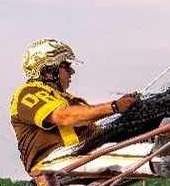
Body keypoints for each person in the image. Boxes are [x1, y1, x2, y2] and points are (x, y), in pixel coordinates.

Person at [9, 39, 139, 174]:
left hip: (76, 155)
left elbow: (95, 129)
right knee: (139, 155)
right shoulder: (28, 93)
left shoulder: (70, 99)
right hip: (53, 161)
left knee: (129, 145)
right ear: (48, 72)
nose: (72, 71)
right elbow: (62, 116)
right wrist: (115, 106)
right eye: (66, 66)